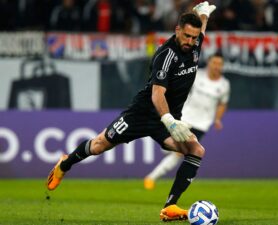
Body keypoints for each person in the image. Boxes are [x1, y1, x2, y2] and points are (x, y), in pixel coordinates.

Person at [46, 1, 216, 222]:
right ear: (177, 31)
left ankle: (169, 207)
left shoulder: (195, 43)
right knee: (98, 145)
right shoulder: (166, 56)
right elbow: (157, 94)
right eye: (187, 37)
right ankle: (65, 164)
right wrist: (170, 121)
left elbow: (201, 27)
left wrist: (202, 14)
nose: (191, 42)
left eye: (194, 38)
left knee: (196, 150)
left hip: (165, 121)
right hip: (143, 114)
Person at [144, 53, 230, 190]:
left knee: (180, 152)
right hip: (185, 117)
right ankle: (154, 174)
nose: (216, 66)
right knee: (179, 150)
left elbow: (222, 103)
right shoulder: (197, 75)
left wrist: (218, 119)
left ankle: (151, 178)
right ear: (209, 63)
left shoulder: (224, 84)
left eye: (219, 64)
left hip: (202, 124)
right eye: (214, 63)